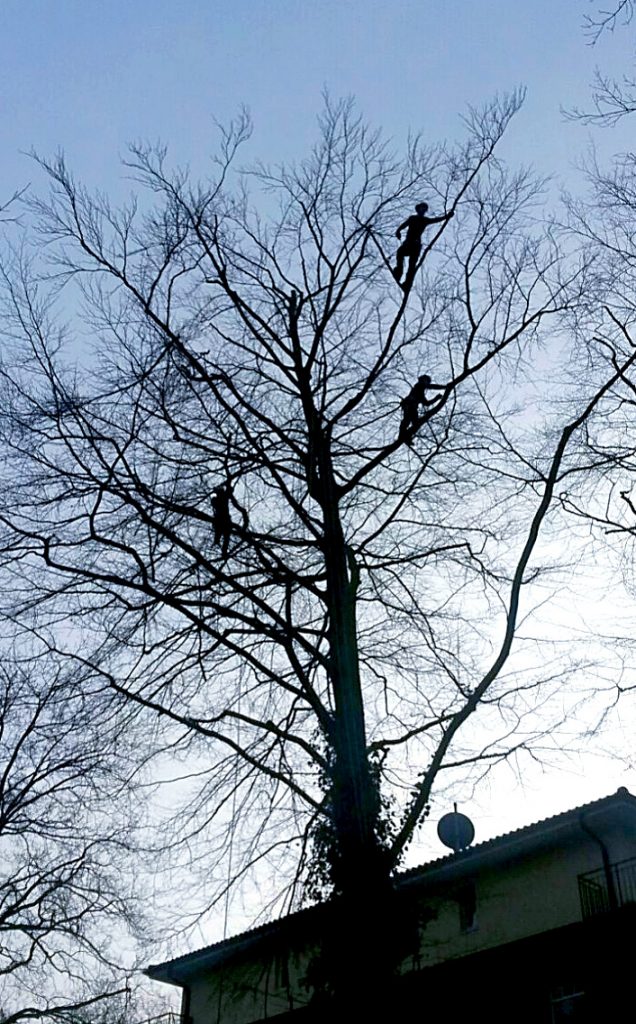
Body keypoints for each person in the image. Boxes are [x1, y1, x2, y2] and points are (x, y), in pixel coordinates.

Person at [393, 202, 454, 286]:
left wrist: (447, 216)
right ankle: (398, 272)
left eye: (424, 209)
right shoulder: (412, 218)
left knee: (411, 265)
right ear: (418, 209)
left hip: (415, 246)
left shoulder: (425, 220)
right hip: (408, 243)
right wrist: (398, 231)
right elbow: (404, 225)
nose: (423, 210)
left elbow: (436, 219)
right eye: (422, 208)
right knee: (400, 253)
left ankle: (407, 283)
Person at [212, 483, 232, 558]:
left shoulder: (224, 497)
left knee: (225, 536)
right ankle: (218, 543)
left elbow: (229, 490)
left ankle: (223, 551)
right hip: (221, 518)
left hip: (224, 519)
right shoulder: (217, 499)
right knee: (222, 534)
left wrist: (227, 484)